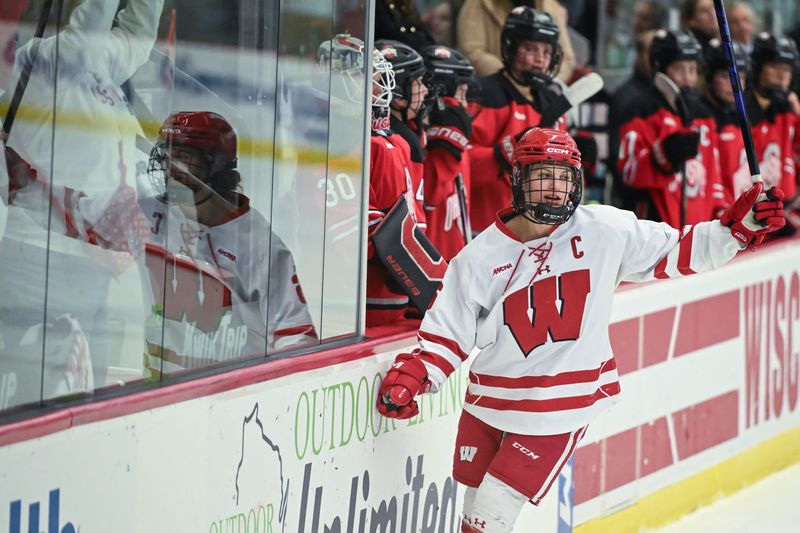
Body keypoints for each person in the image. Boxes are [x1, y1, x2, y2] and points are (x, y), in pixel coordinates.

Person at [376, 127, 786, 533]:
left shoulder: (604, 229)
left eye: (563, 177)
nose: (555, 189)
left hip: (560, 403)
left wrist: (736, 228)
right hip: (489, 401)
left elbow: (681, 249)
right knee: (472, 506)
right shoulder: (480, 256)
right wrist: (419, 374)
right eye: (543, 176)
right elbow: (449, 332)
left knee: (490, 515)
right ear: (517, 180)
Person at [139, 111, 318, 377]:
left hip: (230, 400)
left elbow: (296, 338)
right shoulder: (152, 214)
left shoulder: (258, 244)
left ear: (215, 166)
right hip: (156, 393)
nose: (168, 169)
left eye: (183, 158)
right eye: (165, 156)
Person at [467, 6, 569, 234]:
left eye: (546, 51)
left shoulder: (553, 100)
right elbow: (462, 164)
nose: (540, 60)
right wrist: (504, 152)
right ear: (511, 48)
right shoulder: (485, 94)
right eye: (530, 49)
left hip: (541, 231)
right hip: (487, 228)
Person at [617, 28, 727, 227]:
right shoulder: (640, 111)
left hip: (698, 229)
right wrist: (663, 155)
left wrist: (721, 214)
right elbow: (628, 174)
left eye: (692, 69)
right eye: (679, 69)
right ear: (660, 68)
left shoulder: (703, 115)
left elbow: (713, 175)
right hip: (654, 228)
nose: (687, 78)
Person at [420, 45, 476, 259]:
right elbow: (430, 197)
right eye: (460, 93)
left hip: (452, 261)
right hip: (432, 266)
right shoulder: (422, 146)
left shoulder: (456, 145)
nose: (464, 103)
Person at [456, 0, 575, 82]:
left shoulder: (550, 6)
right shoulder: (478, 3)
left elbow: (566, 58)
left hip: (539, 93)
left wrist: (548, 81)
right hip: (492, 90)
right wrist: (513, 77)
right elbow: (472, 51)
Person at [745, 32, 798, 201]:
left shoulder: (789, 107)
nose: (782, 75)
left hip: (783, 204)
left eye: (787, 69)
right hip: (747, 202)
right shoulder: (741, 108)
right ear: (757, 67)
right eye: (775, 66)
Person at [702, 39, 750, 201]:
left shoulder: (741, 113)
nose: (734, 84)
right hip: (713, 212)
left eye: (741, 77)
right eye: (725, 76)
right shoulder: (700, 117)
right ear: (709, 77)